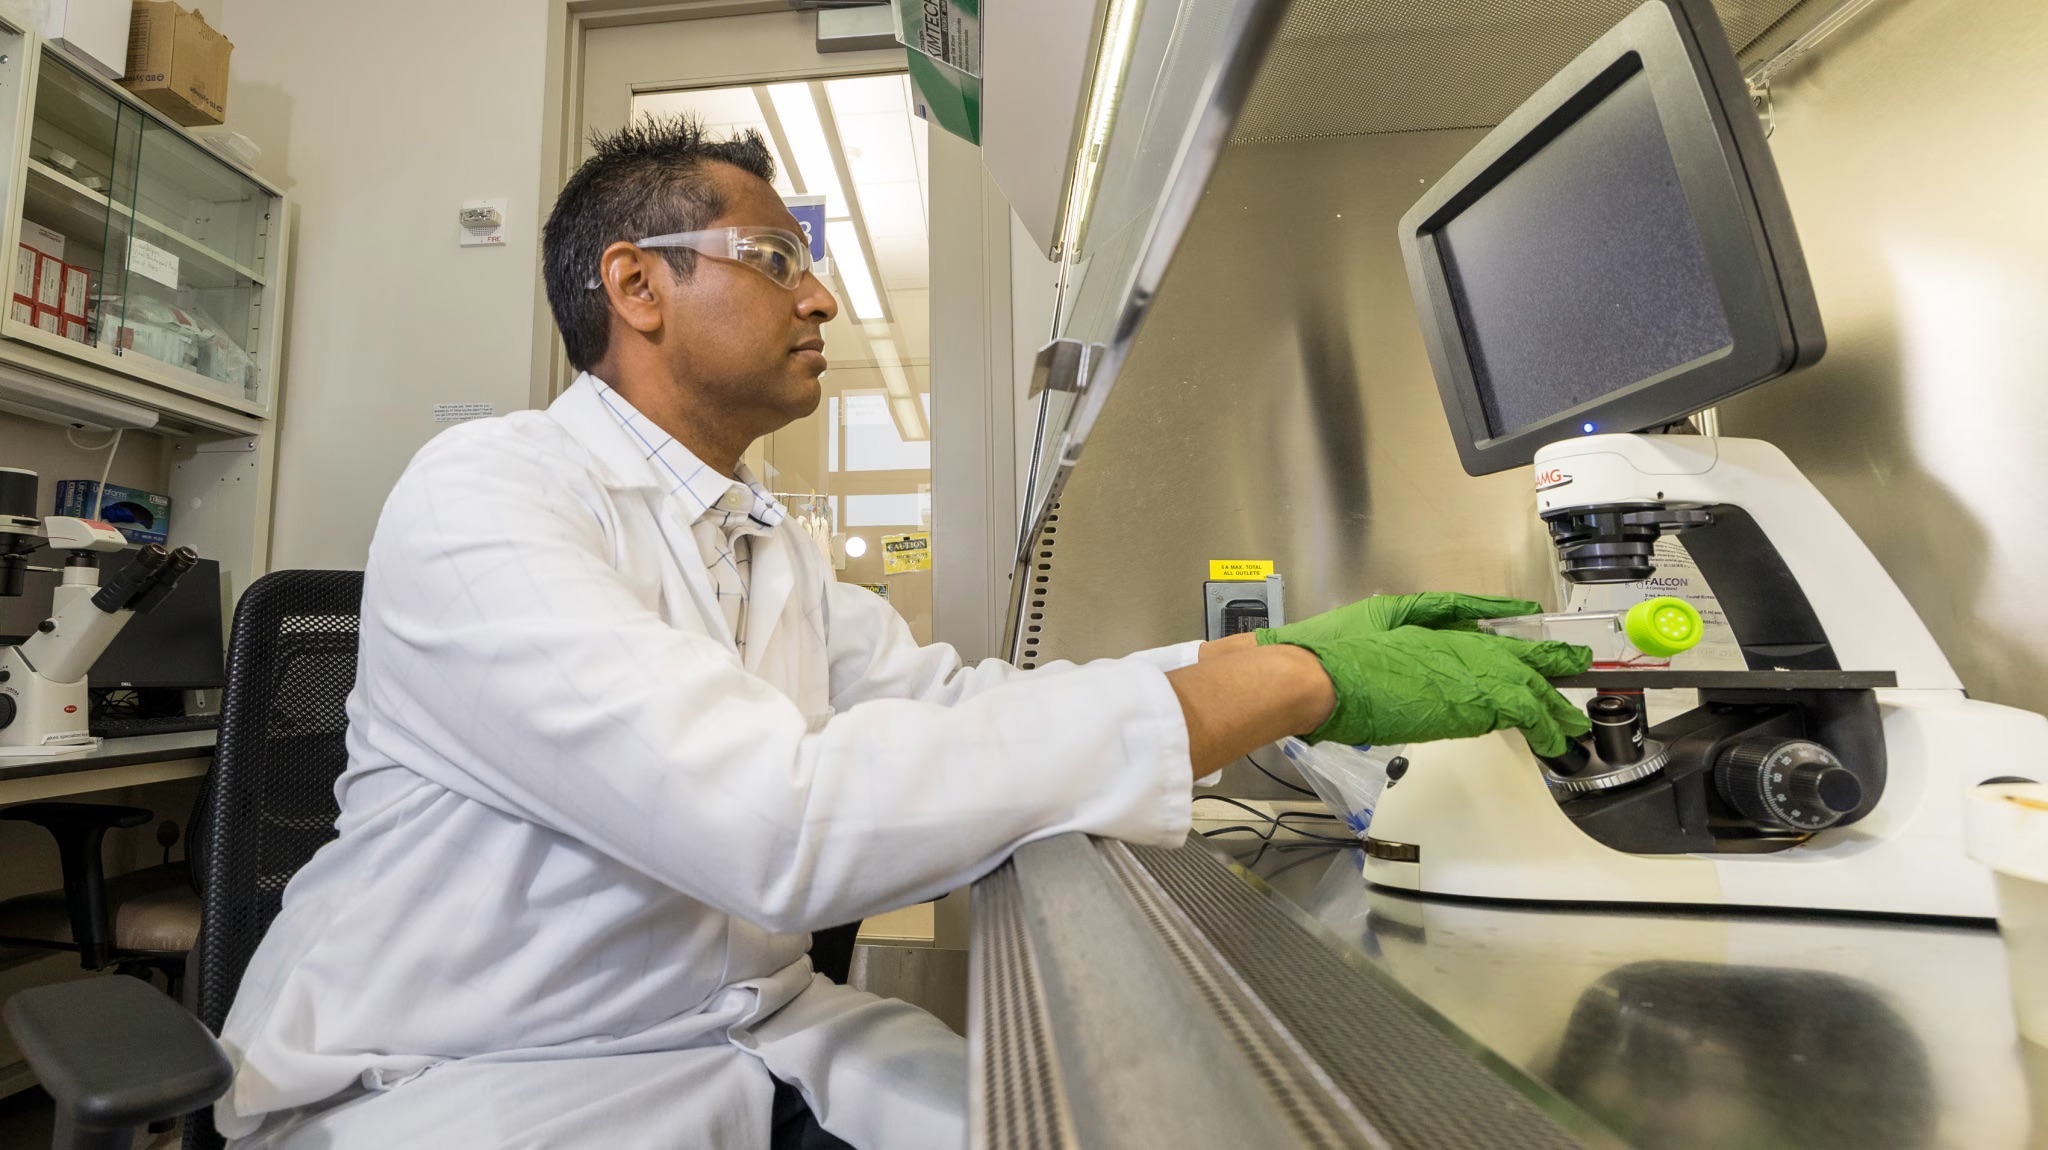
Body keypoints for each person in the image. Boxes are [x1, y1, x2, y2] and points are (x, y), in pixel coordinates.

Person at [213, 118, 1591, 1149]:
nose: (820, 300)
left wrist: (1272, 667)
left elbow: (958, 699)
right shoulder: (489, 495)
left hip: (735, 1045)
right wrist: (1280, 683)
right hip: (472, 1083)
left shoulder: (767, 542)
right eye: (777, 259)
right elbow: (773, 821)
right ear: (634, 288)